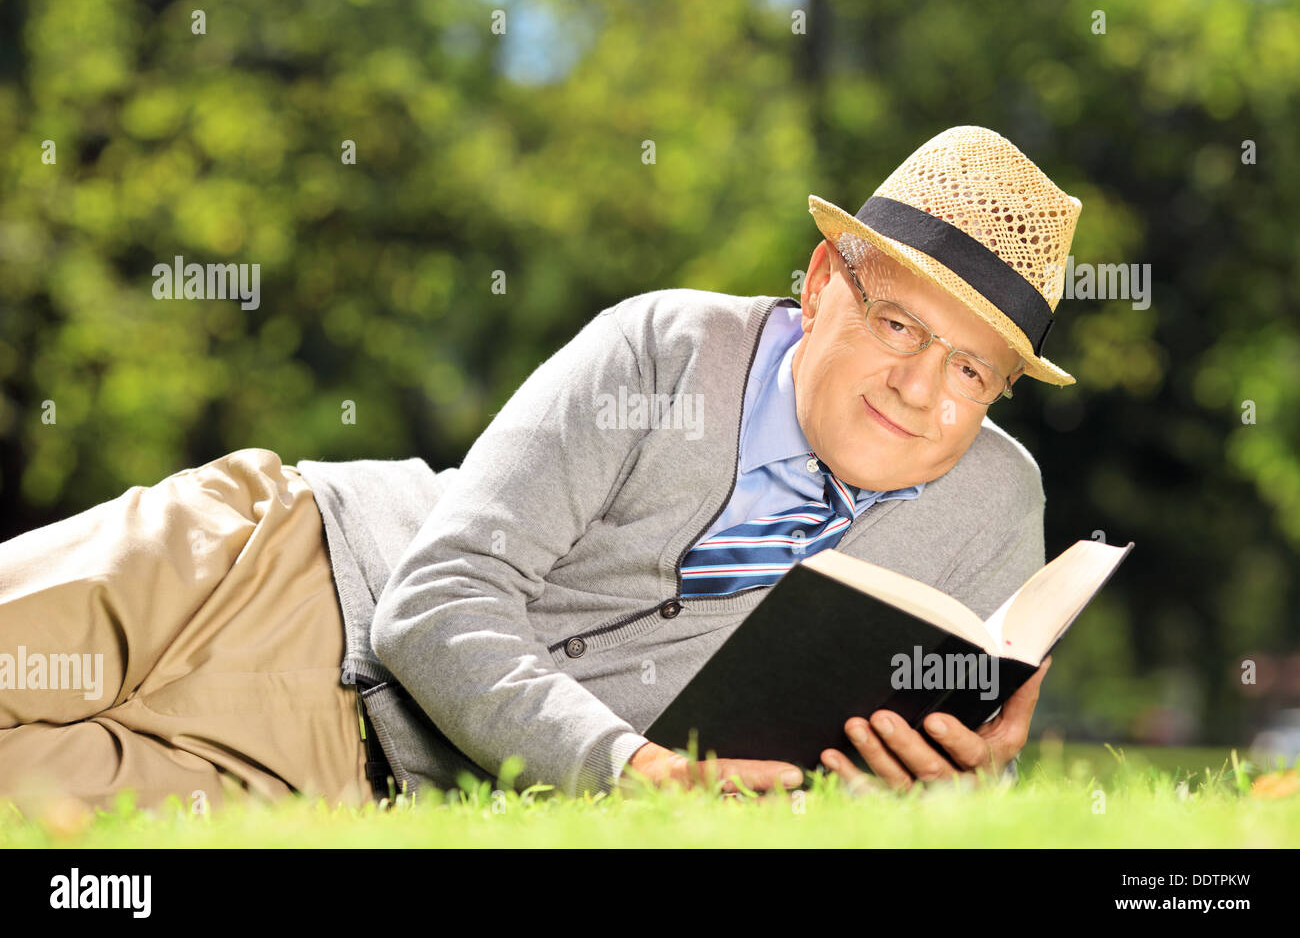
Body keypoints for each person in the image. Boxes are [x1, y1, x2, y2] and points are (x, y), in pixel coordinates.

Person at [0, 125, 1079, 813]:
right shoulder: (662, 347)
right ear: (819, 284)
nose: (922, 388)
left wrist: (969, 765)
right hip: (279, 565)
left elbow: (896, 765)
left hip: (346, 771)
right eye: (898, 322)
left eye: (973, 368)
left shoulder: (995, 503)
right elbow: (433, 602)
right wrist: (630, 769)